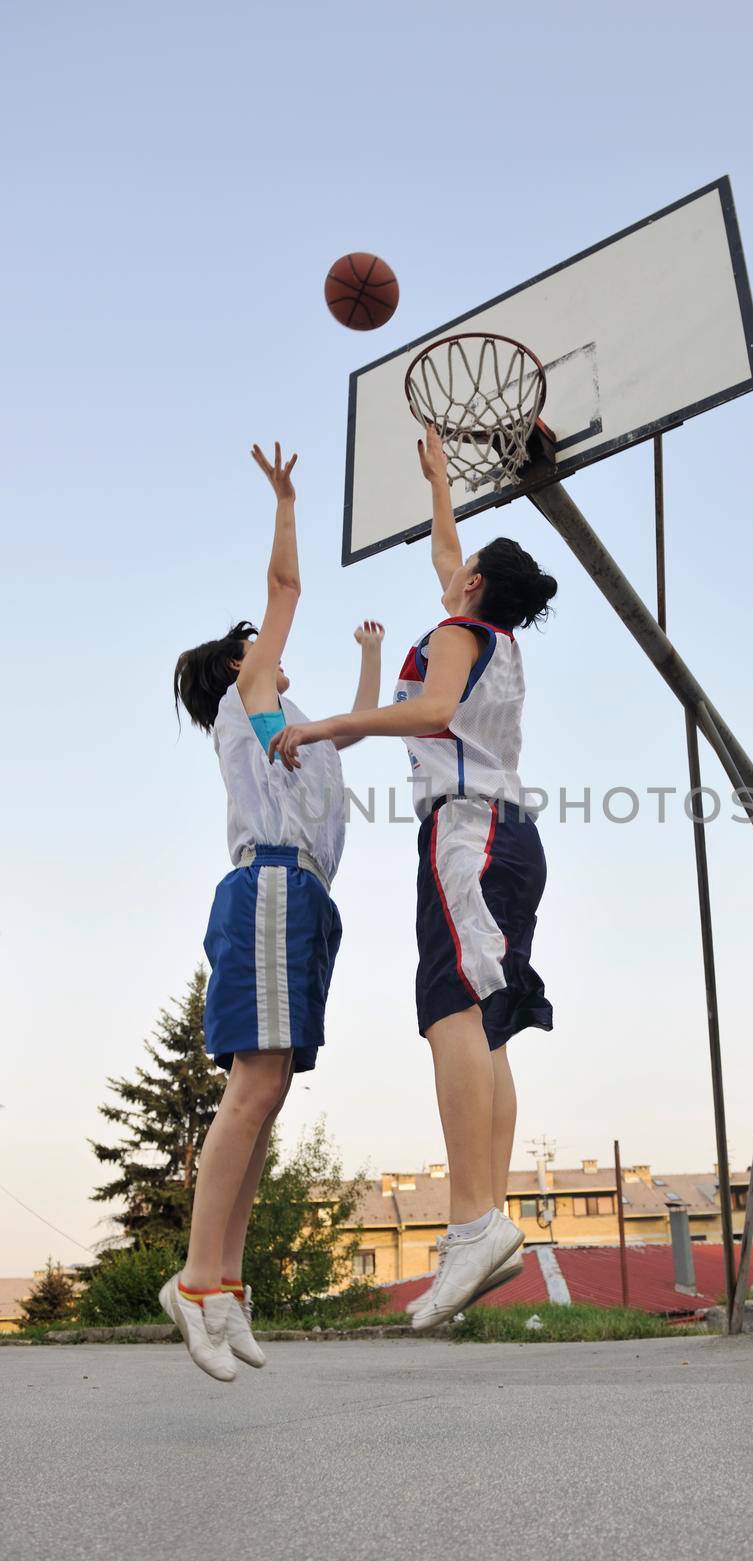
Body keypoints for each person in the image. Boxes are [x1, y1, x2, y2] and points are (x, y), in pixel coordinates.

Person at [269, 424, 557, 1330]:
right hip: (508, 839)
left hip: (465, 836)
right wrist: (440, 482)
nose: (453, 563)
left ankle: (474, 1220)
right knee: (485, 1024)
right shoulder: (491, 631)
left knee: (449, 1015)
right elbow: (446, 553)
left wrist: (319, 731)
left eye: (464, 564)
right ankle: (485, 1217)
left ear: (476, 587)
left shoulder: (456, 634)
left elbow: (431, 707)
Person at [165, 441, 383, 1380]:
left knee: (271, 1094)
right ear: (237, 668)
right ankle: (196, 1282)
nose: (273, 645)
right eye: (256, 642)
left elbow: (362, 731)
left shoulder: (295, 734)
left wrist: (371, 664)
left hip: (308, 904)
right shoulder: (241, 705)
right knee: (250, 1089)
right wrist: (288, 501)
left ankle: (230, 1284)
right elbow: (285, 587)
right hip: (267, 888)